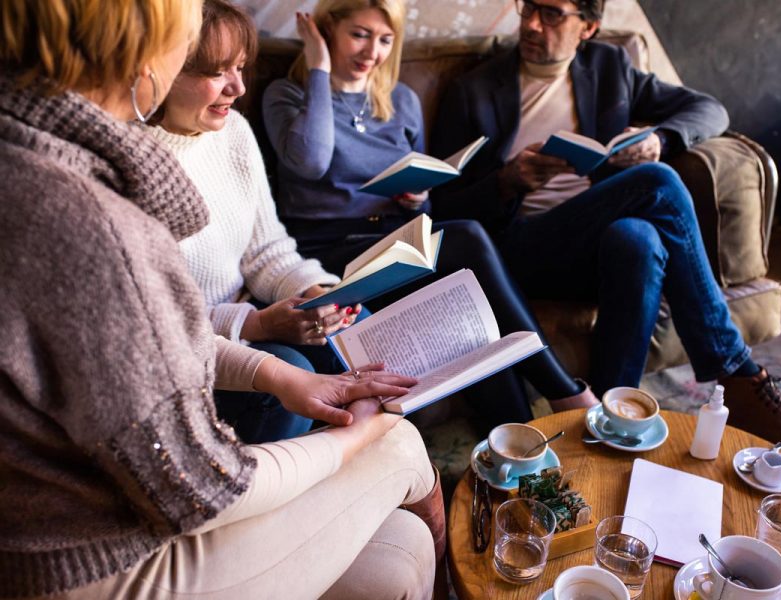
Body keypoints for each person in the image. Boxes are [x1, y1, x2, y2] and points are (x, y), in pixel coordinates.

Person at [0, 1, 443, 597]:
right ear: (140, 53)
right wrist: (354, 438)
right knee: (398, 442)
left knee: (401, 552)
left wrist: (277, 358)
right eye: (194, 53)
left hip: (111, 512)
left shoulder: (36, 157)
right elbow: (199, 485)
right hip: (92, 560)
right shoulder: (91, 219)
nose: (236, 86)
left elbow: (143, 343)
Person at [428, 0, 781, 471]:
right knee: (658, 183)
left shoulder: (610, 66)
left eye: (552, 13)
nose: (532, 23)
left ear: (588, 27)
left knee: (639, 239)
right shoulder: (473, 90)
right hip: (517, 250)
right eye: (528, 7)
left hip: (591, 245)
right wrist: (508, 181)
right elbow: (445, 209)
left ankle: (611, 424)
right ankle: (736, 371)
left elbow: (709, 110)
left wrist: (662, 140)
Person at [262, 0, 599, 426]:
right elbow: (310, 160)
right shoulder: (288, 95)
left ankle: (523, 443)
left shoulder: (399, 99)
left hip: (394, 242)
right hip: (330, 253)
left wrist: (417, 199)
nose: (373, 53)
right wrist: (319, 69)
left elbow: (429, 205)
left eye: (385, 40)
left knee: (465, 320)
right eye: (359, 35)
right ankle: (564, 392)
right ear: (327, 32)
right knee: (468, 237)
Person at [147, 0, 367, 443]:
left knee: (360, 329)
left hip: (251, 318)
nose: (238, 88)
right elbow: (154, 322)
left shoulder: (233, 133)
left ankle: (368, 471)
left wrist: (314, 292)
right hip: (192, 350)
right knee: (296, 369)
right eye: (217, 73)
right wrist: (257, 323)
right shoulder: (135, 162)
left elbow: (268, 251)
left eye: (241, 68)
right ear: (164, 71)